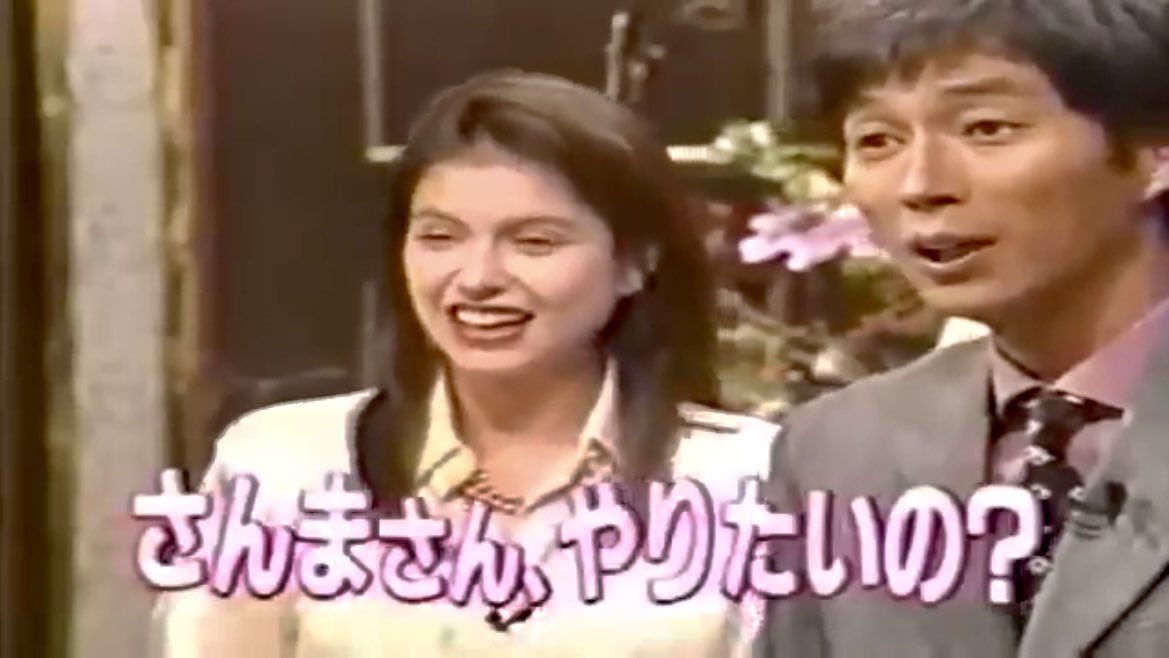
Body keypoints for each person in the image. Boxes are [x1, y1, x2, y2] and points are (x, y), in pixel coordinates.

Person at [152, 70, 780, 657]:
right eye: (439, 237)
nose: (477, 278)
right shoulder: (284, 465)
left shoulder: (748, 478)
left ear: (634, 264)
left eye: (534, 242)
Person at [756, 1, 1169, 657]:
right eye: (877, 141)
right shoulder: (837, 447)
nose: (921, 186)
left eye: (985, 128)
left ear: (1154, 154)